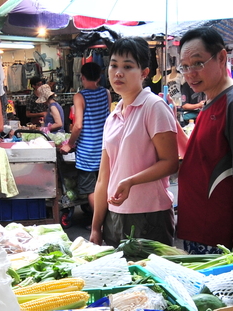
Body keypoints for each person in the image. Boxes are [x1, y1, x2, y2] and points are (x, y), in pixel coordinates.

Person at [176, 26, 233, 252]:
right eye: (184, 67)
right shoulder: (208, 103)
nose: (190, 73)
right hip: (198, 228)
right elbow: (200, 158)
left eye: (197, 63)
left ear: (222, 57)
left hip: (218, 233)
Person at [90, 37, 179, 246]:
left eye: (128, 67)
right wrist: (95, 227)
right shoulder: (112, 116)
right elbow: (104, 178)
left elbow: (170, 162)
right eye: (113, 65)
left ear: (144, 73)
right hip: (114, 216)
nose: (118, 73)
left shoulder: (154, 107)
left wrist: (131, 181)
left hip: (150, 215)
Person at [62, 62, 109, 217]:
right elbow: (107, 120)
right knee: (104, 185)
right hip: (104, 148)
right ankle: (108, 221)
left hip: (88, 151)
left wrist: (69, 144)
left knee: (90, 189)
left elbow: (78, 126)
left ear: (82, 77)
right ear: (99, 76)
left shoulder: (80, 96)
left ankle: (100, 224)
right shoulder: (106, 93)